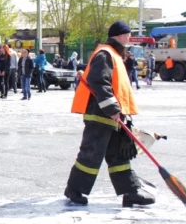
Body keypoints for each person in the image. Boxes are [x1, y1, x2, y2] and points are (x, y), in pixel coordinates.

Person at [64, 20, 155, 208]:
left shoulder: (114, 54)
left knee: (119, 154)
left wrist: (120, 113)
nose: (129, 38)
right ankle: (74, 189)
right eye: (128, 35)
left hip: (114, 115)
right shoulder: (105, 54)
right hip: (100, 114)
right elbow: (99, 82)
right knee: (91, 154)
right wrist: (113, 109)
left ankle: (130, 191)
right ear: (120, 35)